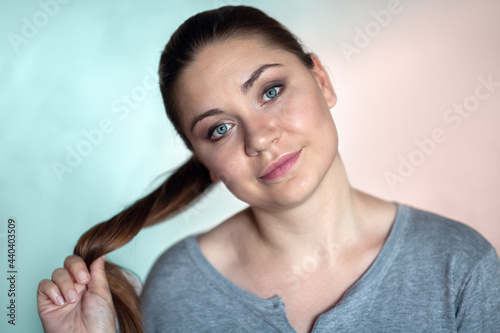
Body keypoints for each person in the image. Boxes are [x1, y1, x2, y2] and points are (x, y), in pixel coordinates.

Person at [37, 5, 500, 333]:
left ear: (322, 81)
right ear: (205, 162)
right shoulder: (178, 287)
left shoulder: (459, 266)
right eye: (219, 129)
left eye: (271, 91)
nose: (259, 137)